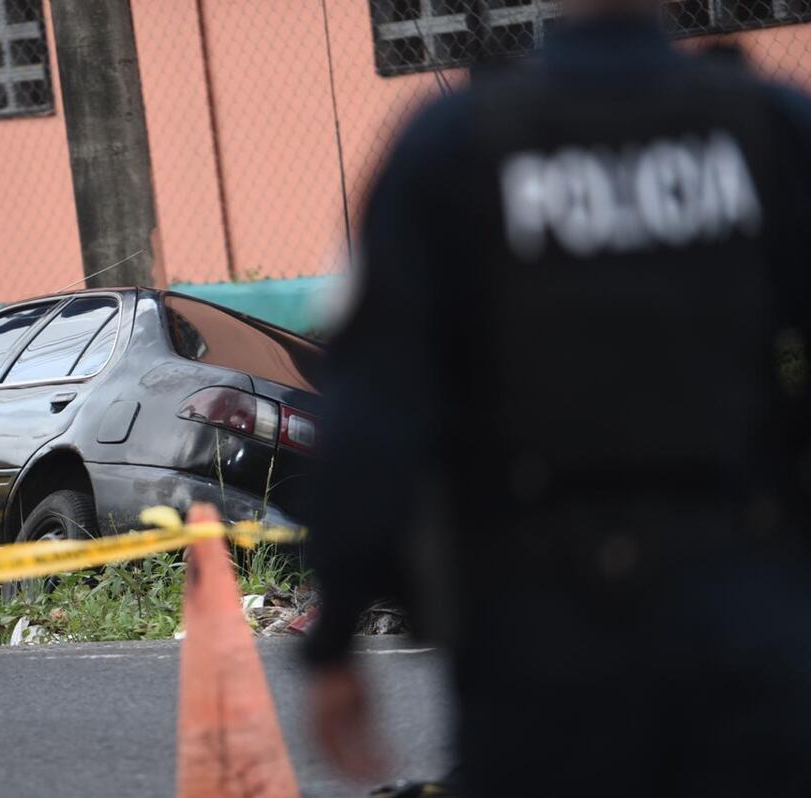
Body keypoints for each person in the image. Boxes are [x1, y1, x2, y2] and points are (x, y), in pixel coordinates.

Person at [302, 2, 811, 796]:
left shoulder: (455, 146)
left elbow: (375, 415)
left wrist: (334, 637)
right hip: (741, 608)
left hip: (539, 635)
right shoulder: (767, 129)